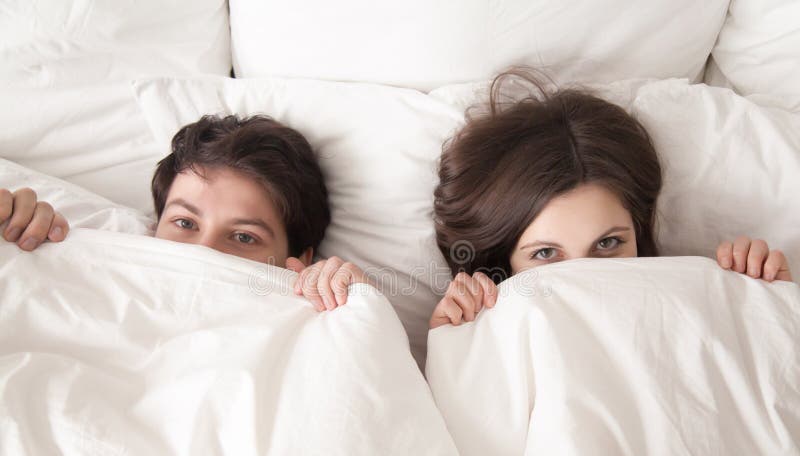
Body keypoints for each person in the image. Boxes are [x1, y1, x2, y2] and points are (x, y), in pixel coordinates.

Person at [430, 70, 793, 328]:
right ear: (504, 262)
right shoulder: (490, 329)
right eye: (545, 253)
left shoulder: (695, 305)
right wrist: (454, 343)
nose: (586, 276)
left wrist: (767, 305)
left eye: (608, 243)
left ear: (638, 233)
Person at [0, 115, 368, 312]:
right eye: (185, 223)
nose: (201, 251)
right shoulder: (88, 268)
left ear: (298, 260)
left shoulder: (315, 319)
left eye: (243, 237)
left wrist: (356, 309)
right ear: (153, 227)